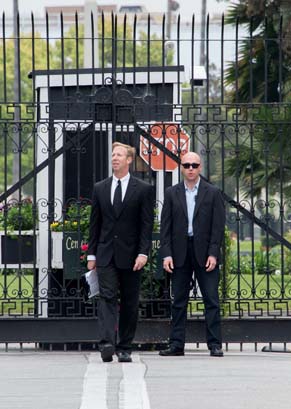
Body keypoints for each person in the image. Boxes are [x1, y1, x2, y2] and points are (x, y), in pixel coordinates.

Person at [87, 142, 154, 363]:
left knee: (129, 301)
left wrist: (143, 253)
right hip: (106, 254)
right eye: (113, 154)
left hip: (132, 255)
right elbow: (94, 224)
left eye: (119, 155)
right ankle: (107, 344)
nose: (114, 158)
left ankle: (124, 346)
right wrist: (91, 255)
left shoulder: (143, 189)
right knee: (106, 297)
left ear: (129, 160)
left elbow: (146, 225)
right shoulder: (100, 188)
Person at [158, 152, 226, 357]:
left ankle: (215, 344)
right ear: (181, 167)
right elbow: (165, 227)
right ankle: (176, 344)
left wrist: (213, 253)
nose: (190, 168)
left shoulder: (212, 192)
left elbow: (217, 226)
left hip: (205, 252)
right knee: (178, 300)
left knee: (211, 299)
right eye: (186, 165)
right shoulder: (171, 193)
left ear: (200, 167)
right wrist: (166, 254)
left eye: (194, 165)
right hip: (180, 252)